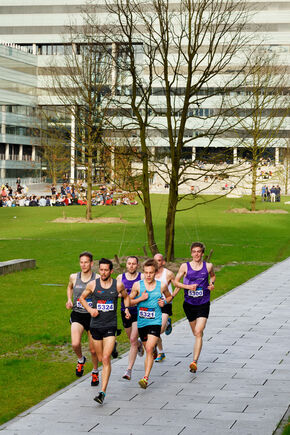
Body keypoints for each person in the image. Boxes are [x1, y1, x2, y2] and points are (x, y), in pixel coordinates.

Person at [79, 258, 131, 404]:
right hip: (95, 326)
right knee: (101, 358)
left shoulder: (118, 284)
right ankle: (112, 347)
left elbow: (126, 297)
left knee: (106, 359)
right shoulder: (93, 285)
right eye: (101, 270)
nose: (103, 272)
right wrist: (90, 310)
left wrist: (126, 309)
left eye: (106, 270)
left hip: (110, 326)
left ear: (111, 271)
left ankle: (102, 392)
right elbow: (82, 298)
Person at [130, 259, 173, 389]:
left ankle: (145, 378)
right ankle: (154, 349)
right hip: (142, 323)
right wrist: (140, 299)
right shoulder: (137, 285)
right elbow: (129, 301)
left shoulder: (162, 286)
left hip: (155, 321)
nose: (148, 275)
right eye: (146, 272)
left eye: (151, 273)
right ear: (143, 272)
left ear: (155, 273)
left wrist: (164, 302)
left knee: (148, 349)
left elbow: (169, 296)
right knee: (147, 347)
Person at [173, 242, 215, 374]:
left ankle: (194, 361)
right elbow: (175, 281)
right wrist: (187, 288)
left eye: (199, 251)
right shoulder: (184, 266)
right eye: (194, 251)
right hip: (189, 304)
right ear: (191, 253)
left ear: (202, 253)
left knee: (198, 331)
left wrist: (211, 284)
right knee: (196, 333)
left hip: (203, 303)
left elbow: (212, 276)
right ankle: (199, 340)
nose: (196, 254)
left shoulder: (208, 266)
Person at [66, 252, 100, 386]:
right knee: (75, 344)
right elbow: (69, 287)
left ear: (91, 263)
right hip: (78, 314)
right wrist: (69, 299)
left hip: (92, 316)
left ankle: (95, 372)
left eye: (86, 262)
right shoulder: (74, 277)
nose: (83, 265)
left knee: (93, 350)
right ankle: (81, 360)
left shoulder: (97, 278)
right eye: (81, 262)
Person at [117, 256, 144, 381]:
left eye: (134, 263)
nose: (131, 266)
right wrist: (122, 294)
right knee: (131, 339)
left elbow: (147, 292)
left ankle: (129, 370)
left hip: (138, 311)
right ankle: (139, 344)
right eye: (129, 263)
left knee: (133, 338)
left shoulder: (142, 277)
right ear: (126, 265)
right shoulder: (120, 278)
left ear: (137, 265)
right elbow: (115, 293)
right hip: (125, 311)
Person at [153, 253, 175, 362]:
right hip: (153, 305)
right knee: (154, 330)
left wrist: (170, 298)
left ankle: (166, 323)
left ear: (163, 262)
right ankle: (160, 352)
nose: (157, 262)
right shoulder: (149, 273)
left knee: (159, 330)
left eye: (159, 260)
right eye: (155, 260)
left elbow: (177, 286)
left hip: (165, 304)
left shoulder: (169, 274)